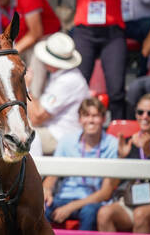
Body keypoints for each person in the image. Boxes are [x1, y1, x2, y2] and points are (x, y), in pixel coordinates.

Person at [43, 0, 133, 120]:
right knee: (79, 84)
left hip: (112, 32)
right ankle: (78, 129)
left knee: (116, 90)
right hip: (85, 32)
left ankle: (119, 135)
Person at [43, 97, 118, 230]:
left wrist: (71, 207)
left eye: (95, 116)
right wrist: (47, 190)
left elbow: (106, 192)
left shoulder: (112, 144)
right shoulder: (66, 141)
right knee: (41, 208)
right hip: (64, 197)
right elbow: (52, 176)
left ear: (103, 119)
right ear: (79, 119)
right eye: (86, 115)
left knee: (89, 212)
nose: (90, 120)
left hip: (92, 201)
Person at [97, 94, 150, 233]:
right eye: (140, 112)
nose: (144, 116)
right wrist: (121, 158)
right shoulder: (129, 142)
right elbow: (113, 183)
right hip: (132, 199)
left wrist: (149, 153)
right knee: (104, 214)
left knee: (141, 215)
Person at [26, 32, 90, 155]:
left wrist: (26, 88)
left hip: (61, 136)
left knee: (17, 136)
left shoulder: (68, 81)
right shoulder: (66, 76)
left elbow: (37, 118)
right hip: (55, 131)